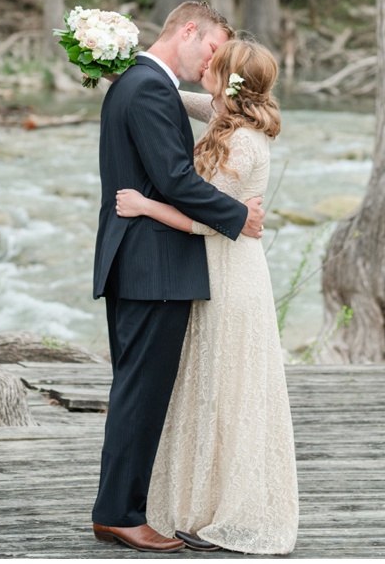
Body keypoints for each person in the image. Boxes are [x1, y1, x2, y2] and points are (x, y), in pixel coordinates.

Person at [91, 1, 265, 554]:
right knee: (140, 395)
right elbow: (172, 178)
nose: (213, 61)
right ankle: (120, 514)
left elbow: (213, 116)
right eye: (212, 48)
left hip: (146, 262)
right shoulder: (146, 87)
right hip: (152, 264)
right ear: (188, 30)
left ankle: (118, 508)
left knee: (136, 391)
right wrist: (240, 218)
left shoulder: (146, 83)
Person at [116, 38, 298, 556]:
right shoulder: (223, 114)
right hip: (211, 272)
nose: (204, 70)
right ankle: (199, 501)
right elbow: (168, 96)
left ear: (232, 81)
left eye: (215, 67)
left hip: (229, 274)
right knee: (208, 387)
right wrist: (115, 63)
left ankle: (235, 513)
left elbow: (209, 224)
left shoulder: (242, 143)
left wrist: (146, 207)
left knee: (228, 389)